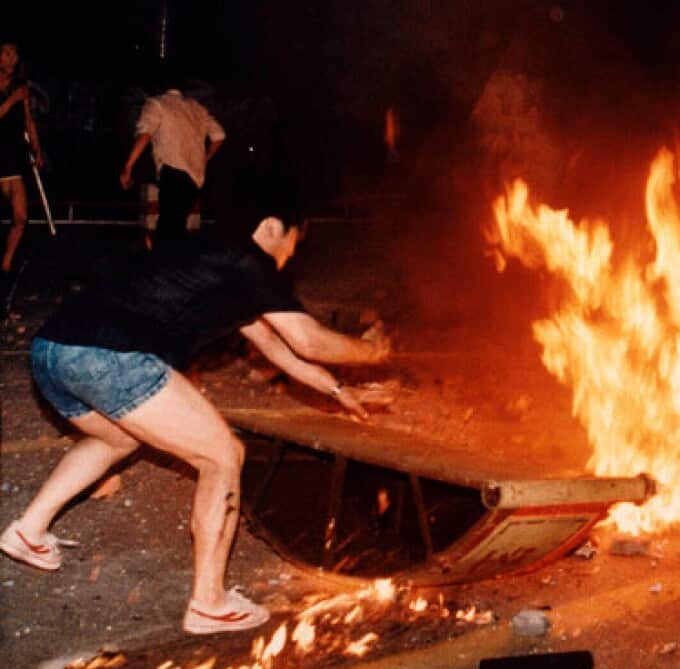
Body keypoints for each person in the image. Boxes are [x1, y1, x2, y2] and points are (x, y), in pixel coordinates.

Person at [0, 199, 391, 634]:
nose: (291, 256)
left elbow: (280, 350)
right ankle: (209, 603)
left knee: (118, 439)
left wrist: (340, 391)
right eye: (293, 243)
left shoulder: (209, 259)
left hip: (54, 350)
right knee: (222, 455)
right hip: (113, 357)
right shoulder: (249, 261)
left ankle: (28, 531)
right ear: (271, 226)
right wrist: (374, 351)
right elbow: (309, 340)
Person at [119, 78, 224, 251]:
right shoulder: (197, 108)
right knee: (177, 226)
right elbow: (219, 136)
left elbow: (144, 135)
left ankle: (164, 269)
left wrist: (128, 166)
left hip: (173, 172)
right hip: (195, 177)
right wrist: (205, 158)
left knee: (168, 229)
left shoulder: (157, 104)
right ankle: (173, 266)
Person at [0, 41, 43, 273]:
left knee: (21, 215)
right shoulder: (13, 92)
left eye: (15, 53)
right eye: (7, 53)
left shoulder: (20, 86)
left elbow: (28, 120)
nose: (12, 58)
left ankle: (5, 263)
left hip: (13, 155)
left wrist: (36, 148)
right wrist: (13, 99)